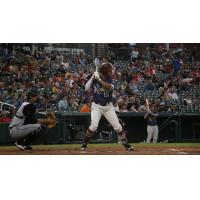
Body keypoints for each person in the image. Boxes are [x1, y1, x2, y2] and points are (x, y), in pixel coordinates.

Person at [81, 62, 134, 151]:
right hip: (96, 106)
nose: (111, 71)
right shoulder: (95, 77)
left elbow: (108, 86)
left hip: (108, 107)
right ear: (105, 71)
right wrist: (93, 77)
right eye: (109, 70)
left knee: (118, 127)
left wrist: (98, 79)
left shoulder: (110, 79)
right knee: (93, 126)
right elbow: (86, 88)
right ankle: (84, 144)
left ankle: (126, 145)